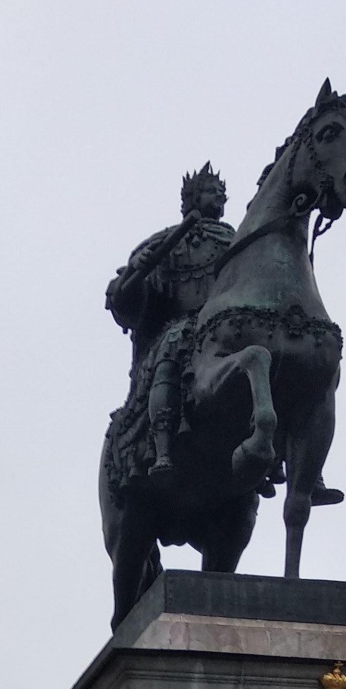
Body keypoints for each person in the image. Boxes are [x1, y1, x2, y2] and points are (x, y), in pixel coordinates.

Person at [106, 164, 234, 482]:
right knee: (174, 345)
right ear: (192, 198)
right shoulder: (168, 242)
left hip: (228, 326)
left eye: (222, 192)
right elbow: (124, 296)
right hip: (185, 327)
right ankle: (161, 446)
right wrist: (136, 273)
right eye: (210, 190)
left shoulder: (238, 238)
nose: (219, 196)